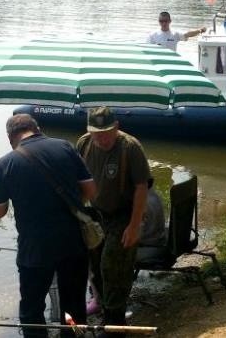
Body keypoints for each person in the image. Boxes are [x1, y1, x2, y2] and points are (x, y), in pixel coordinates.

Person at [0, 114, 96, 338]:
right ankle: (73, 334)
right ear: (37, 128)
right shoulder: (65, 147)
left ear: (10, 138)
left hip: (35, 250)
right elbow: (91, 191)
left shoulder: (6, 163)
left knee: (32, 309)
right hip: (72, 243)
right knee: (73, 304)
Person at [76, 106, 151, 337]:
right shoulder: (84, 144)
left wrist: (134, 225)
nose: (102, 138)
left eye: (107, 132)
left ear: (116, 127)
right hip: (96, 214)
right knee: (95, 266)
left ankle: (116, 324)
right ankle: (102, 305)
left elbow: (141, 187)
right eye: (97, 133)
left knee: (113, 266)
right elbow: (77, 178)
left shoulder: (130, 147)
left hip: (124, 213)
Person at [86, 177, 166, 316]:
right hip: (157, 239)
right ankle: (101, 294)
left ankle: (99, 300)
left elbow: (130, 235)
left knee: (94, 254)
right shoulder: (152, 194)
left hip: (149, 246)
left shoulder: (141, 204)